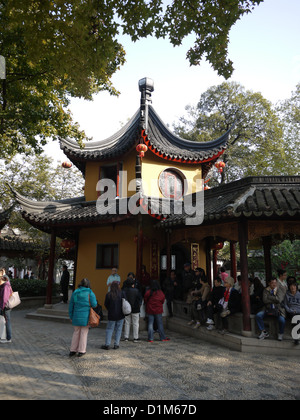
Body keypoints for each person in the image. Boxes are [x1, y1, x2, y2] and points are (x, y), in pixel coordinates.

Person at [68, 278, 97, 357]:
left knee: (76, 332)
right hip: (86, 316)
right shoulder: (90, 293)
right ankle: (81, 350)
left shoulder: (75, 292)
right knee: (84, 333)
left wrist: (71, 316)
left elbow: (71, 305)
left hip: (76, 316)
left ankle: (73, 350)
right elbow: (94, 304)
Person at [102, 281, 125, 350]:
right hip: (120, 314)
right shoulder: (122, 294)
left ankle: (107, 344)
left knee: (109, 329)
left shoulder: (108, 294)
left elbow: (106, 304)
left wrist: (110, 309)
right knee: (119, 329)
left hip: (111, 314)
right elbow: (125, 303)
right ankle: (116, 344)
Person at [123, 278, 142, 342]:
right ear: (132, 284)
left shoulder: (124, 291)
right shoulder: (136, 291)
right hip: (135, 308)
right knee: (135, 323)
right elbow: (140, 300)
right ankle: (135, 338)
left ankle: (126, 337)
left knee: (127, 323)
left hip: (126, 309)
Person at [0, 274, 13, 343]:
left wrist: (2, 307)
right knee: (5, 321)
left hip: (5, 307)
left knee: (7, 321)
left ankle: (8, 338)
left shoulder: (6, 286)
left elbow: (5, 299)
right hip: (5, 306)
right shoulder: (4, 286)